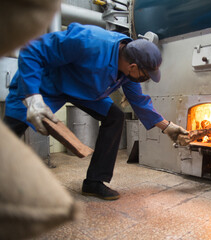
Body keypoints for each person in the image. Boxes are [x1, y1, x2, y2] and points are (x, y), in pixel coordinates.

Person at [3, 22, 190, 201]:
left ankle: (93, 182)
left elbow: (140, 103)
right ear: (133, 66)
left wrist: (167, 127)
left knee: (114, 117)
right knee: (13, 127)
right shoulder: (88, 41)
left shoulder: (128, 73)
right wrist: (32, 98)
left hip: (84, 91)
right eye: (146, 75)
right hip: (46, 83)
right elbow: (32, 50)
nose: (146, 79)